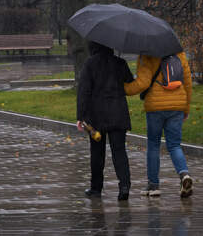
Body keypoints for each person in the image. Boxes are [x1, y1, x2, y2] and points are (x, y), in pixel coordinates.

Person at [124, 52, 193, 197]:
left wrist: (122, 88)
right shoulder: (179, 53)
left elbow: (143, 83)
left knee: (154, 144)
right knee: (174, 145)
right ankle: (184, 174)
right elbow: (187, 82)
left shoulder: (147, 54)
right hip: (177, 105)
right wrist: (186, 108)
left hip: (155, 107)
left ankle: (153, 186)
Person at [77, 41, 134, 200]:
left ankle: (96, 189)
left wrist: (80, 116)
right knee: (119, 151)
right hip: (118, 113)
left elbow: (83, 91)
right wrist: (120, 64)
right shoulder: (119, 62)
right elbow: (129, 80)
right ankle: (124, 186)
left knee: (97, 153)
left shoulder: (89, 64)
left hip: (96, 116)